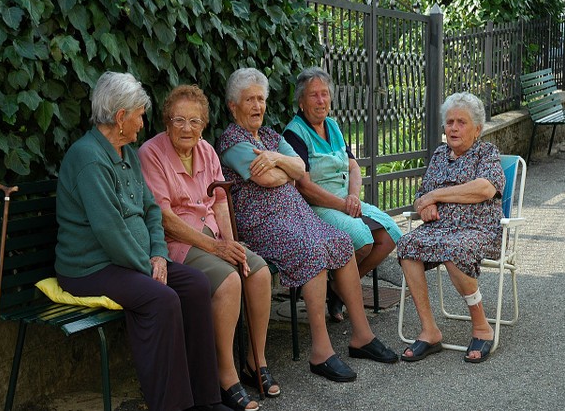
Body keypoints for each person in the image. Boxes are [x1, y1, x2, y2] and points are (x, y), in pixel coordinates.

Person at [55, 71, 230, 411]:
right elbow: (110, 231)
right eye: (138, 114)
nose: (142, 121)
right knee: (161, 298)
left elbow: (151, 210)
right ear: (121, 118)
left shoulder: (126, 152)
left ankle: (206, 399)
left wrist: (159, 256)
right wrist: (146, 267)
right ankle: (172, 404)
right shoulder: (89, 158)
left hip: (134, 260)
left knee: (194, 284)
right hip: (91, 267)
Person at [216, 67, 398, 383]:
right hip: (264, 224)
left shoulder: (271, 137)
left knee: (339, 240)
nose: (258, 106)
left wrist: (276, 160)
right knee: (312, 250)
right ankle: (321, 352)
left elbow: (301, 167)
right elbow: (269, 178)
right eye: (249, 100)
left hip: (296, 216)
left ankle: (361, 337)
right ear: (233, 106)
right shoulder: (233, 141)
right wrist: (282, 165)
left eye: (261, 98)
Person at [138, 85, 276, 411]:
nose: (187, 128)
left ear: (203, 124)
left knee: (257, 272)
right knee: (228, 280)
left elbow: (220, 203)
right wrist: (216, 249)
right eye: (179, 120)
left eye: (195, 121)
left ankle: (257, 361)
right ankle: (225, 376)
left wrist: (230, 244)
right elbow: (165, 219)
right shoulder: (150, 153)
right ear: (166, 122)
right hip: (179, 244)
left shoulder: (207, 151)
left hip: (213, 237)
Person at [283, 67, 403, 322]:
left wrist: (353, 197)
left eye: (325, 94)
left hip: (346, 201)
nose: (321, 100)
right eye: (314, 95)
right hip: (317, 206)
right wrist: (341, 203)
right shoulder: (294, 133)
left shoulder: (333, 125)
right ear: (301, 102)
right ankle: (339, 288)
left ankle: (337, 288)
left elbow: (353, 165)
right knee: (362, 237)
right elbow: (302, 185)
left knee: (392, 233)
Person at [395, 91, 505, 364]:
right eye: (450, 122)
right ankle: (429, 330)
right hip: (440, 227)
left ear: (477, 129)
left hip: (478, 228)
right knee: (407, 245)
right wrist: (425, 204)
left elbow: (485, 188)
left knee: (453, 247)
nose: (453, 128)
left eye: (461, 122)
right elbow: (423, 194)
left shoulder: (486, 153)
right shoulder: (439, 154)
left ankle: (481, 326)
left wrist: (437, 195)